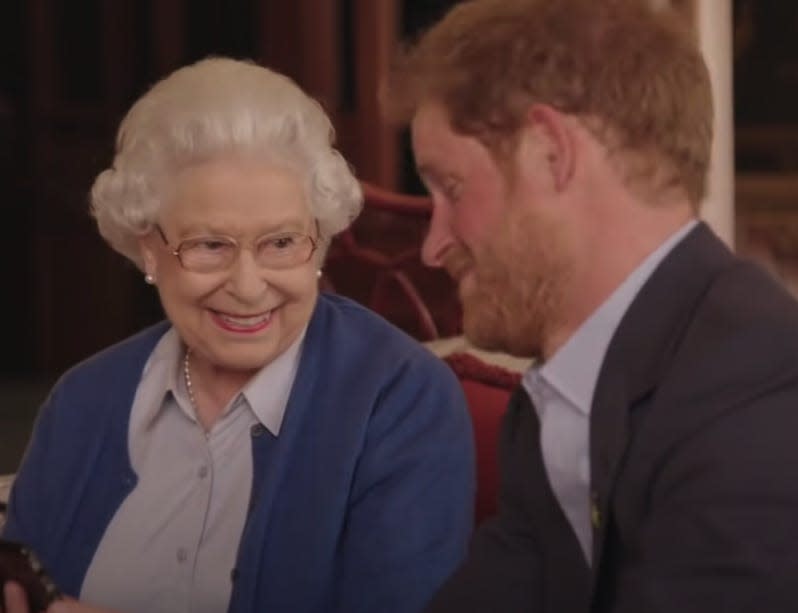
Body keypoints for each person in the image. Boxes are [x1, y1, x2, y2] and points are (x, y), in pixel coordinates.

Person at [383, 0, 798, 611]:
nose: (434, 245)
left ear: (550, 152)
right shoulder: (563, 394)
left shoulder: (760, 396)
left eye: (451, 189)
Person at [2, 57, 474, 613]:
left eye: (280, 243)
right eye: (209, 246)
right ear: (149, 249)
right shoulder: (83, 403)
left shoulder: (398, 402)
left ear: (319, 241)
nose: (249, 288)